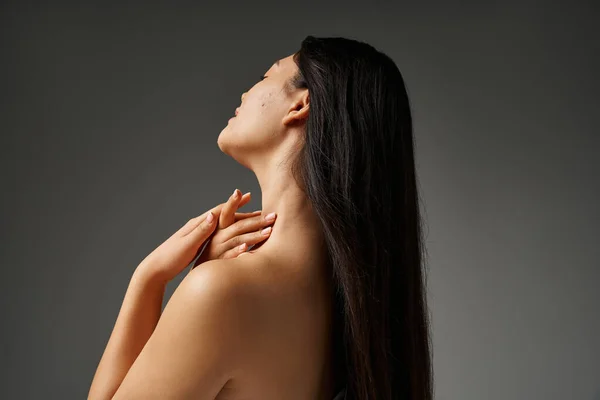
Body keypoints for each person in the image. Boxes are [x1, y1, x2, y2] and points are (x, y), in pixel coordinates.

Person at [88, 35, 433, 400]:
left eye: (265, 77)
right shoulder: (359, 316)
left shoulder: (221, 295)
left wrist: (149, 278)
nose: (244, 94)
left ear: (301, 104)